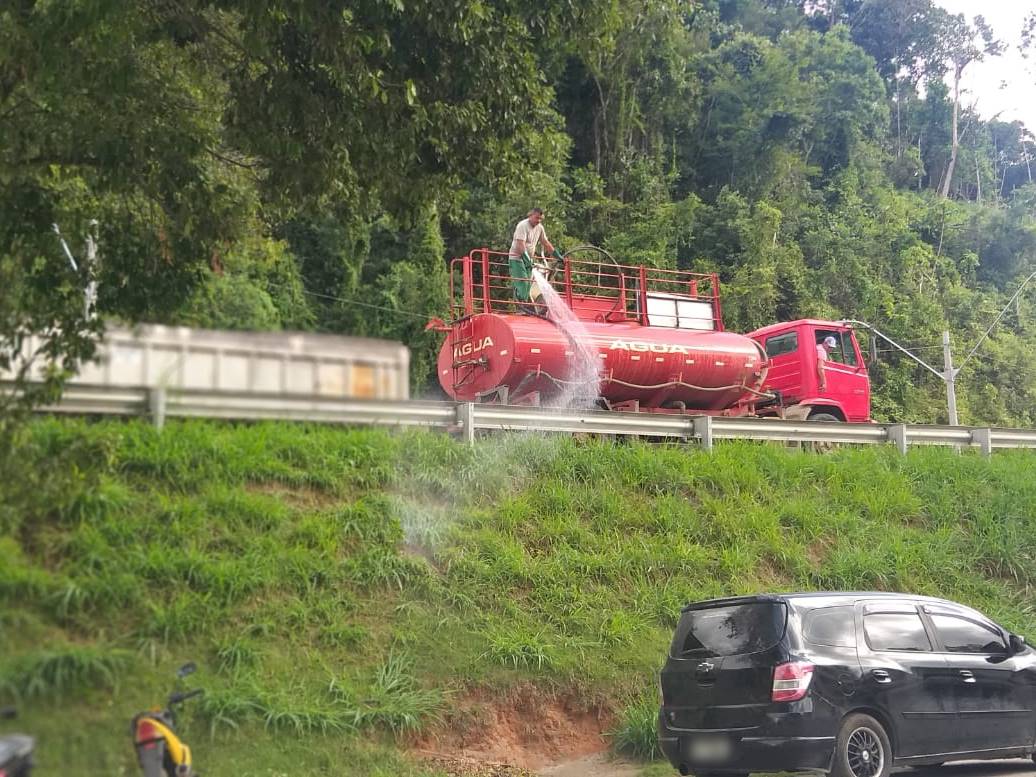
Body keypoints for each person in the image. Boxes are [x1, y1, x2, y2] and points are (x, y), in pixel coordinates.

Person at [509, 208, 563, 314]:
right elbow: (520, 244)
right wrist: (526, 259)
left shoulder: (540, 228)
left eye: (540, 219)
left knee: (528, 284)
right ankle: (521, 308)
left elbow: (545, 243)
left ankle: (525, 307)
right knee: (522, 282)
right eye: (536, 218)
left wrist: (557, 255)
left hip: (528, 260)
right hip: (517, 258)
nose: (538, 221)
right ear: (530, 215)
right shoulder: (522, 226)